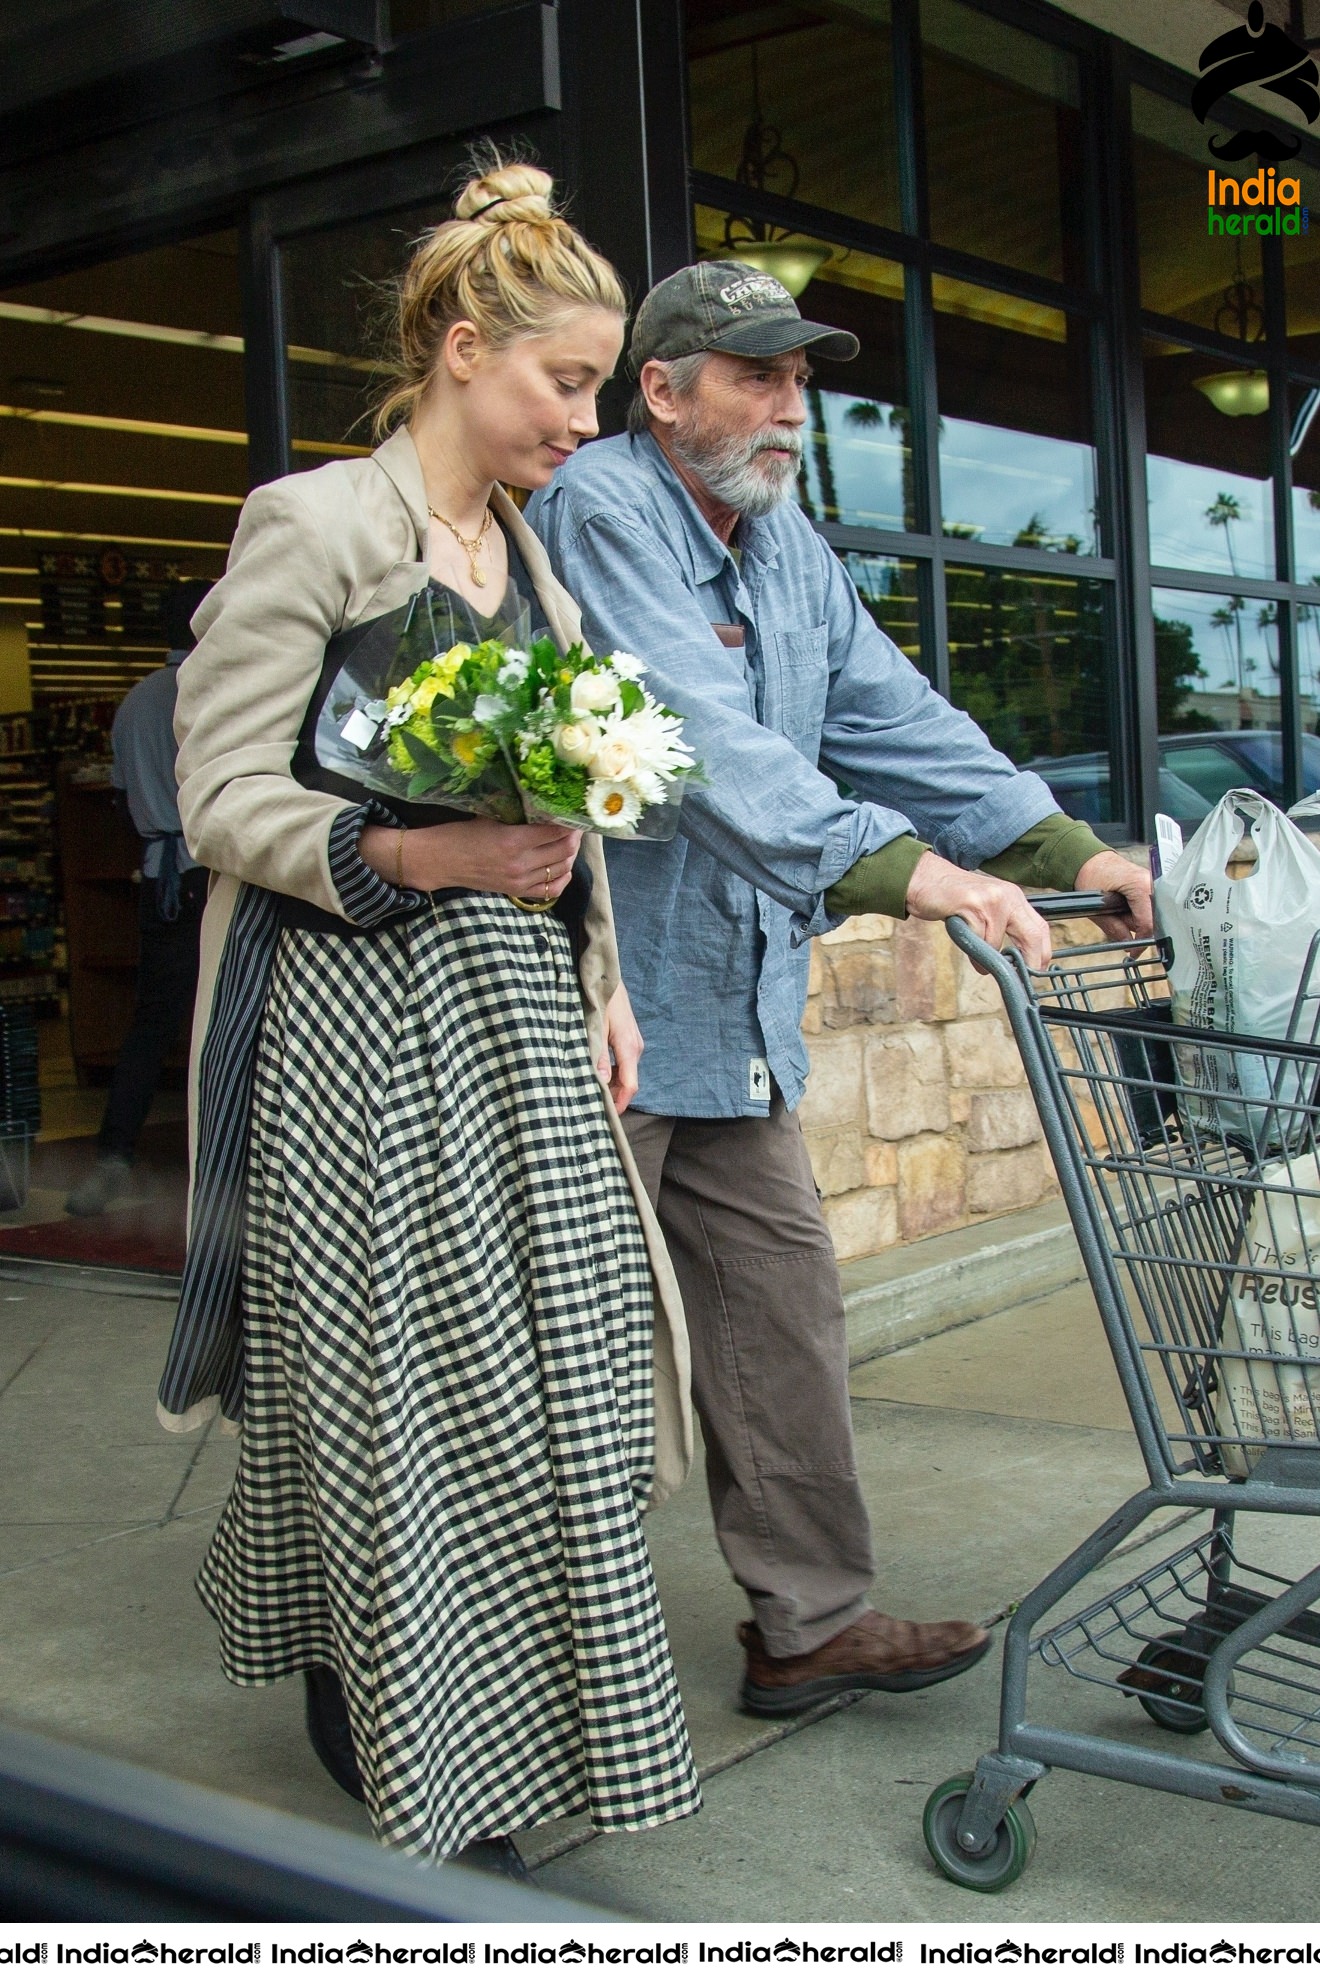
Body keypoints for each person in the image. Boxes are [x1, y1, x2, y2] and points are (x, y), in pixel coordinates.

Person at [154, 159, 701, 1876]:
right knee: (398, 1384)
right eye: (568, 383)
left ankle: (513, 1717)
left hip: (520, 1028)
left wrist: (601, 989)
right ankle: (384, 1716)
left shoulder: (530, 566)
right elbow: (217, 792)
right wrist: (416, 844)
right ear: (464, 350)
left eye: (601, 388)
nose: (587, 418)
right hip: (354, 1030)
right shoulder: (316, 525)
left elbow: (571, 820)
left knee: (557, 1383)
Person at [526, 259, 1155, 1719]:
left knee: (780, 1315)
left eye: (799, 377)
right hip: (605, 1012)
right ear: (662, 390)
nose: (788, 405)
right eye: (756, 374)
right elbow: (687, 741)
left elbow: (889, 711)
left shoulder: (782, 536)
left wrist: (1056, 842)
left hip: (733, 1014)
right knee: (580, 1345)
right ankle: (523, 1651)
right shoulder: (605, 510)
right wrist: (911, 873)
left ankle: (806, 1626)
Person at [66, 580, 212, 1218]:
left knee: (152, 1021)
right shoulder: (213, 694)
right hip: (212, 872)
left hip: (160, 877)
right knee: (243, 1019)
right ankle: (231, 1172)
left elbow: (126, 793)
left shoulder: (132, 704)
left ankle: (113, 1156)